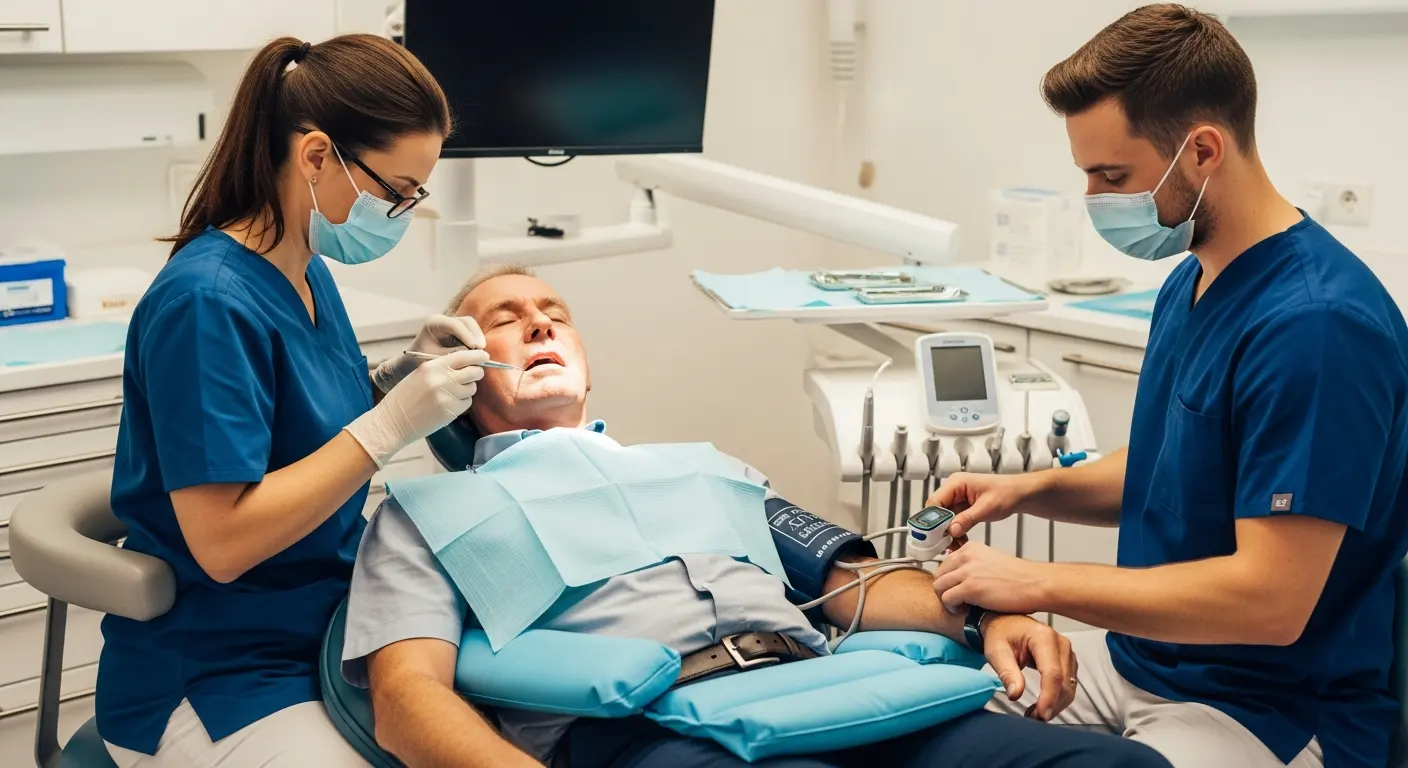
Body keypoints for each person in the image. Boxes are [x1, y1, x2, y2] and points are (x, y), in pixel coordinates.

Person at [339, 264, 1173, 768]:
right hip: (654, 736)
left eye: (555, 313)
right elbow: (407, 703)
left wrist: (994, 616)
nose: (541, 323)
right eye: (505, 320)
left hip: (833, 691)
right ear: (456, 368)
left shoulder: (705, 469)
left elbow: (854, 584)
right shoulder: (426, 512)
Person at [927, 6, 1408, 768]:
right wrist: (1027, 489)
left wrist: (1035, 580)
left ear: (1203, 150)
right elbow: (1169, 467)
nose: (1092, 197)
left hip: (1267, 709)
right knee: (921, 721)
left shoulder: (1318, 327)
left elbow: (1271, 601)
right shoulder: (1191, 279)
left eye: (1112, 176)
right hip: (1140, 663)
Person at [99, 35, 494, 767]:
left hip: (329, 624)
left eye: (417, 195)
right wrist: (390, 424)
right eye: (396, 192)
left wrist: (390, 381)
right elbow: (222, 543)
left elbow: (289, 420)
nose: (404, 212)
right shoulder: (206, 303)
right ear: (316, 156)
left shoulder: (304, 270)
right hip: (217, 674)